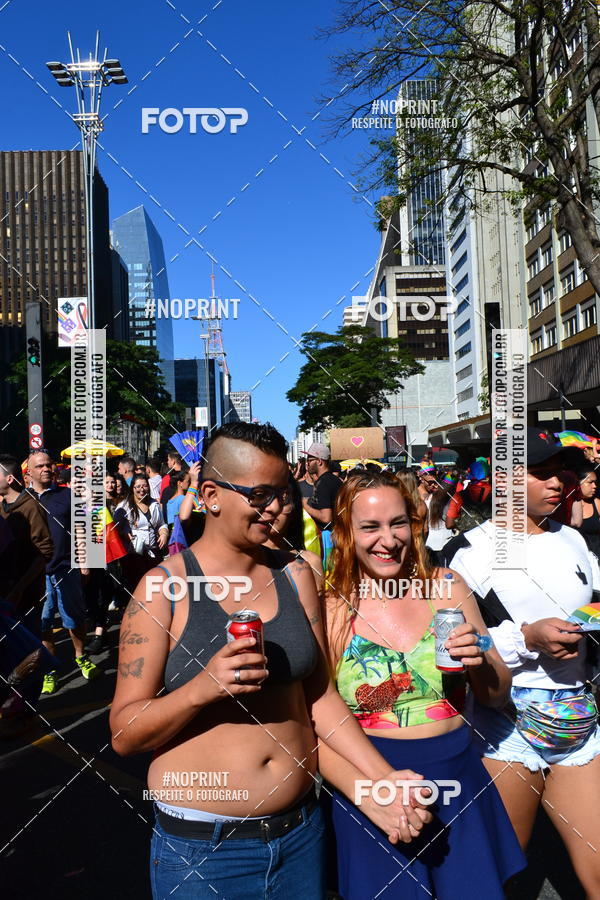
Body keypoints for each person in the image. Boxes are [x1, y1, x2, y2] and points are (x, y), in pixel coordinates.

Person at [110, 423, 434, 900]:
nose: (278, 507)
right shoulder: (163, 589)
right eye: (259, 494)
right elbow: (123, 732)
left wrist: (381, 777)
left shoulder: (297, 572)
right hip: (205, 851)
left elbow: (319, 696)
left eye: (282, 492)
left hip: (301, 833)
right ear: (212, 495)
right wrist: (202, 688)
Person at [320, 469, 524, 899]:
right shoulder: (330, 607)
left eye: (397, 524)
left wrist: (481, 660)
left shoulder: (446, 587)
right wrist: (368, 791)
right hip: (375, 788)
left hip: (459, 778)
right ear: (345, 532)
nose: (388, 540)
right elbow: (308, 722)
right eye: (370, 527)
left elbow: (496, 694)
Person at [442, 429, 600, 897]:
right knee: (501, 874)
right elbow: (454, 642)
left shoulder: (572, 539)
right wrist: (528, 638)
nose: (558, 483)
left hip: (578, 719)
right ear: (507, 479)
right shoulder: (468, 551)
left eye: (562, 474)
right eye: (543, 473)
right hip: (506, 725)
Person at [28, 451, 99, 692]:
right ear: (30, 471)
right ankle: (50, 670)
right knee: (44, 622)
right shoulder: (24, 499)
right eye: (41, 466)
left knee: (74, 617)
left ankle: (80, 656)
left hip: (67, 566)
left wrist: (84, 561)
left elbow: (80, 528)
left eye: (49, 465)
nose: (47, 469)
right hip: (37, 574)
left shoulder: (68, 495)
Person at [0, 454, 53, 629]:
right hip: (5, 591)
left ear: (9, 479)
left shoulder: (31, 506)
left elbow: (43, 552)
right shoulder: (2, 508)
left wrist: (18, 590)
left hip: (26, 595)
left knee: (29, 648)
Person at [265, 476, 324, 591]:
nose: (274, 508)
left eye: (284, 499)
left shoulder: (310, 562)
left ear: (294, 507)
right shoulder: (242, 559)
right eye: (265, 497)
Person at [114, 474, 169, 597]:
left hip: (154, 552)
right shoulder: (124, 507)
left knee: (154, 586)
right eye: (138, 486)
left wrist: (164, 533)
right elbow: (118, 527)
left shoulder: (154, 504)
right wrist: (126, 534)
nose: (141, 489)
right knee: (137, 588)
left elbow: (161, 524)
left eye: (144, 486)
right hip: (135, 555)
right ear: (132, 488)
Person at [301, 442, 341, 531]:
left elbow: (326, 518)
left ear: (319, 461)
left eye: (309, 460)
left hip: (328, 536)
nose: (307, 464)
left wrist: (304, 505)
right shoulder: (331, 479)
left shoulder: (324, 483)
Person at [576, 462, 600, 559]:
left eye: (595, 482)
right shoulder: (564, 506)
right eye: (590, 482)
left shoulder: (597, 503)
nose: (594, 486)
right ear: (578, 483)